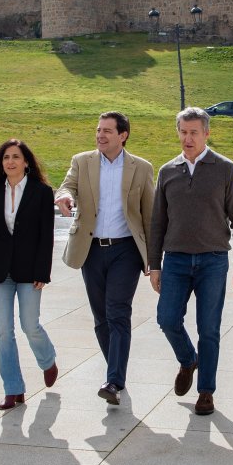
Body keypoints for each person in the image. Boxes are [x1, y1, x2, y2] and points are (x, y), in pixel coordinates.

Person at [149, 106, 233, 416]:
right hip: (176, 260)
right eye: (183, 132)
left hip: (213, 261)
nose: (188, 138)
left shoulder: (225, 168)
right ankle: (188, 359)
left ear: (207, 133)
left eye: (194, 132)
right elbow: (157, 222)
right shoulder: (168, 171)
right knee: (166, 319)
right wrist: (155, 264)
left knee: (209, 328)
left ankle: (206, 391)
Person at [54, 112, 155, 405]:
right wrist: (63, 197)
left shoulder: (141, 168)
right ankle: (116, 369)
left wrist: (154, 258)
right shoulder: (82, 161)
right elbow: (67, 186)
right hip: (91, 249)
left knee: (117, 312)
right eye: (98, 130)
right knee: (101, 319)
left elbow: (149, 215)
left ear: (123, 135)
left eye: (107, 131)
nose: (100, 135)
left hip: (126, 250)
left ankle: (114, 381)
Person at [0, 139, 58, 411]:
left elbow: (46, 237)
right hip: (0, 271)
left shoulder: (42, 192)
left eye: (15, 157)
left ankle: (47, 360)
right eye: (5, 157)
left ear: (26, 161)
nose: (10, 162)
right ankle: (13, 389)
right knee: (4, 332)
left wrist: (42, 273)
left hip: (29, 271)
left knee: (30, 325)